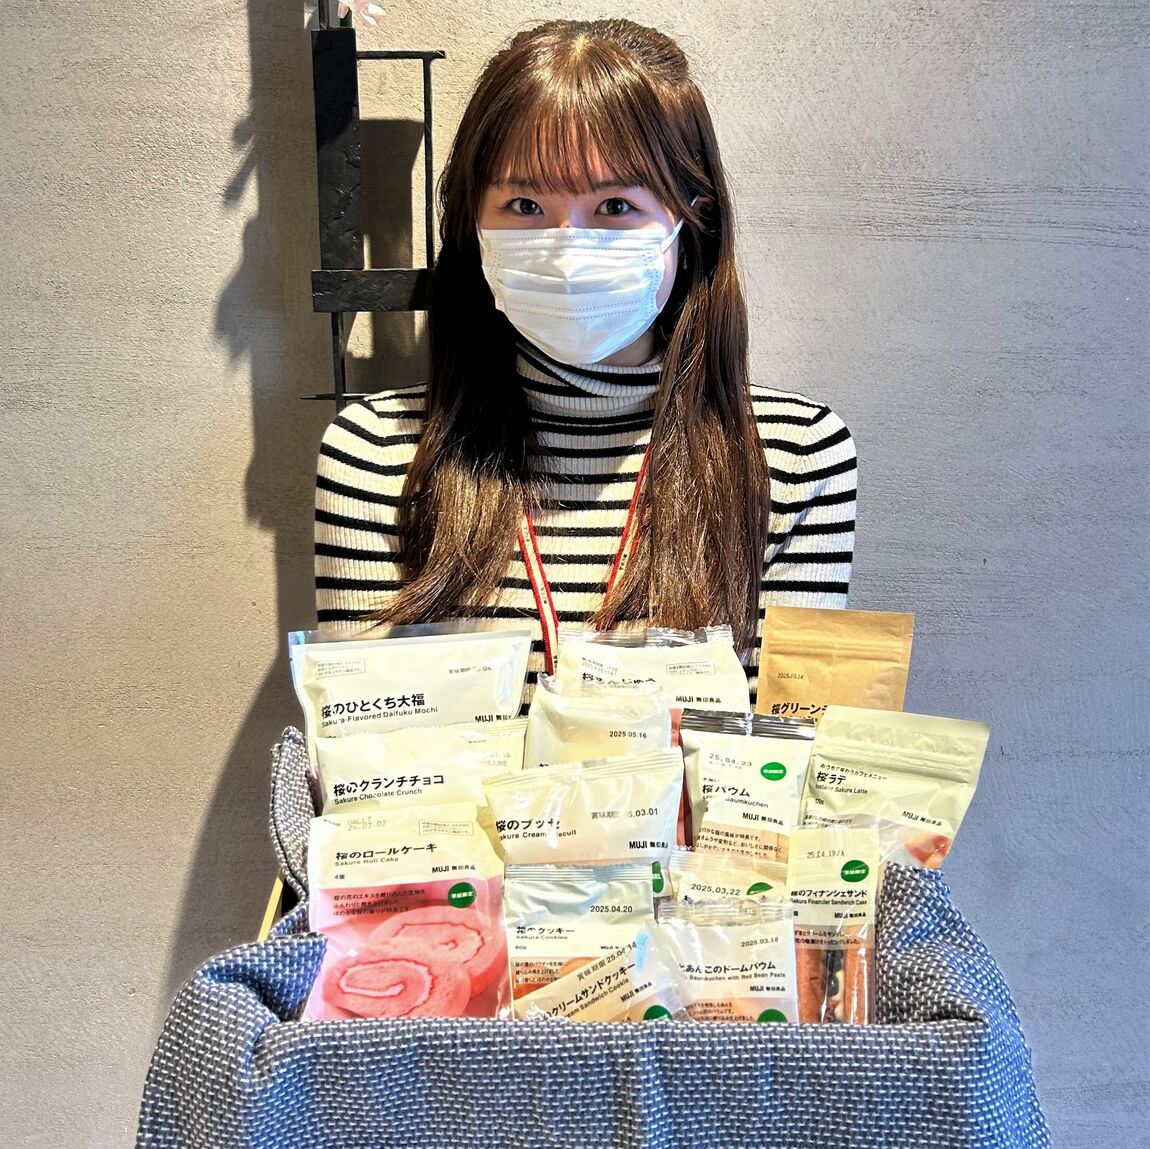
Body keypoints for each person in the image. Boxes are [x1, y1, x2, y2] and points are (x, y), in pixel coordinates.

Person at [314, 18, 856, 702]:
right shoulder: (375, 453)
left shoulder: (797, 456)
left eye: (615, 205)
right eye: (525, 204)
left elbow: (785, 745)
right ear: (471, 223)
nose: (567, 247)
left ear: (691, 219)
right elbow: (366, 745)